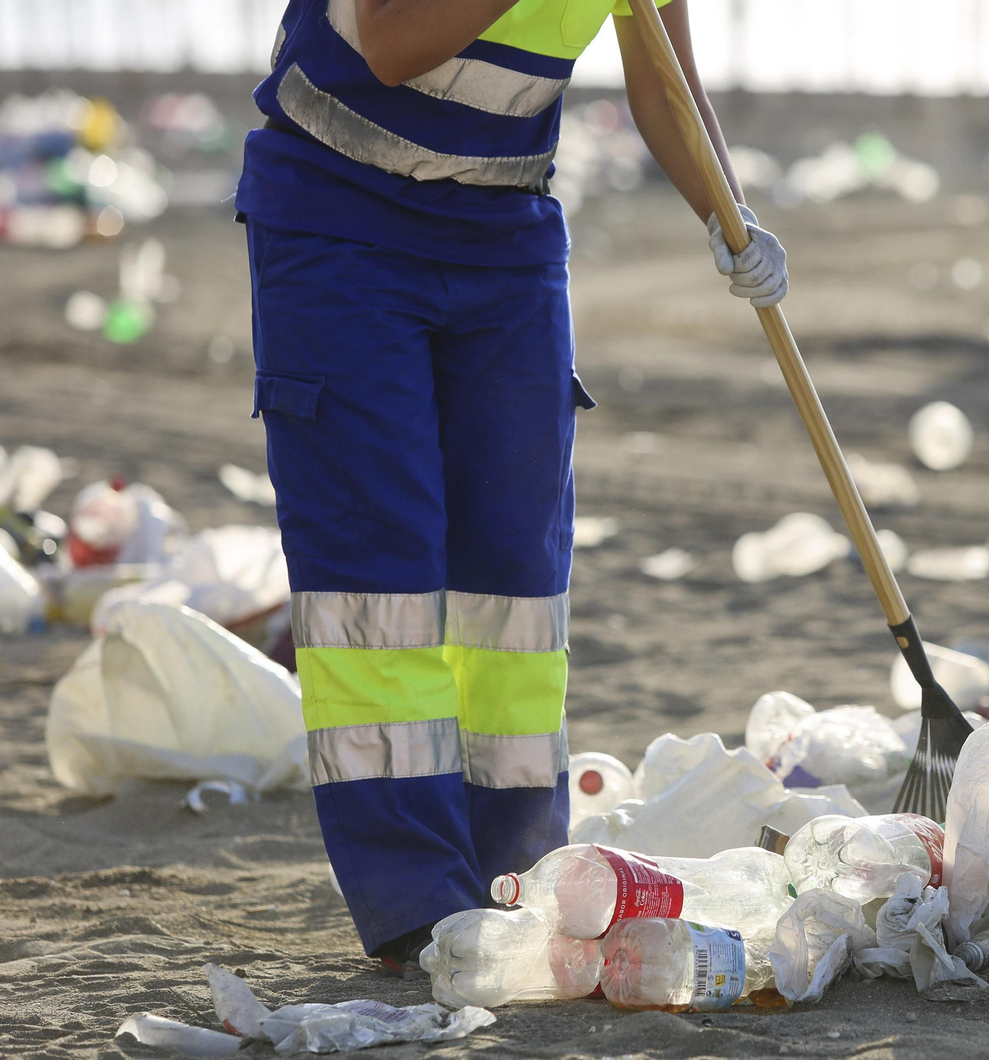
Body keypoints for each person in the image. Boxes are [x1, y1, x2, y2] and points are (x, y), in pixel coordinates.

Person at [235, 0, 786, 974]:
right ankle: (417, 904)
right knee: (379, 578)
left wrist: (729, 215)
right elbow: (392, 42)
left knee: (514, 583)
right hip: (338, 221)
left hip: (504, 231)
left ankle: (515, 877)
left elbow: (663, 80)